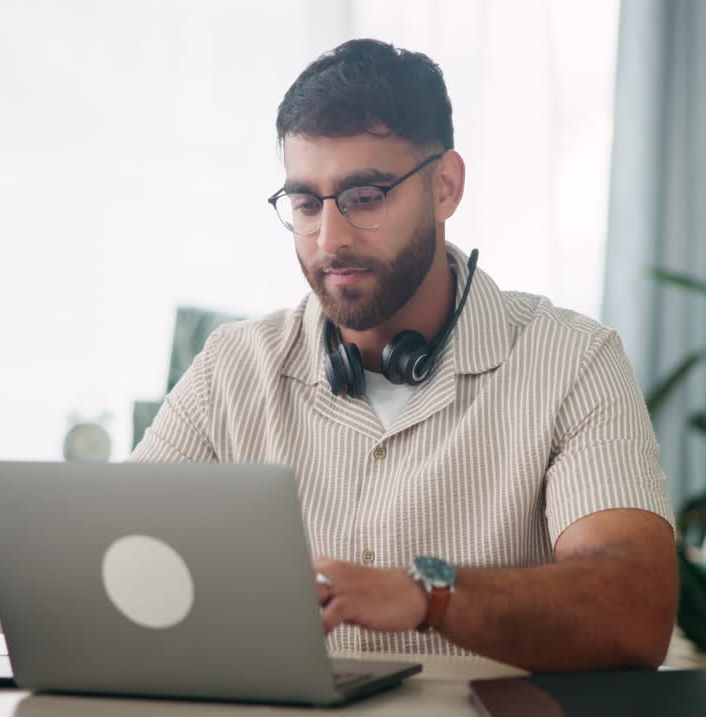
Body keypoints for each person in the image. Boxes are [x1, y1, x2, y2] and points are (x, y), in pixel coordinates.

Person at [132, 38, 677, 672]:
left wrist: (427, 595)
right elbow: (116, 563)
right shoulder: (232, 366)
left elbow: (634, 611)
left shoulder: (573, 359)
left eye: (365, 197)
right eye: (306, 204)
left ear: (444, 187)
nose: (329, 239)